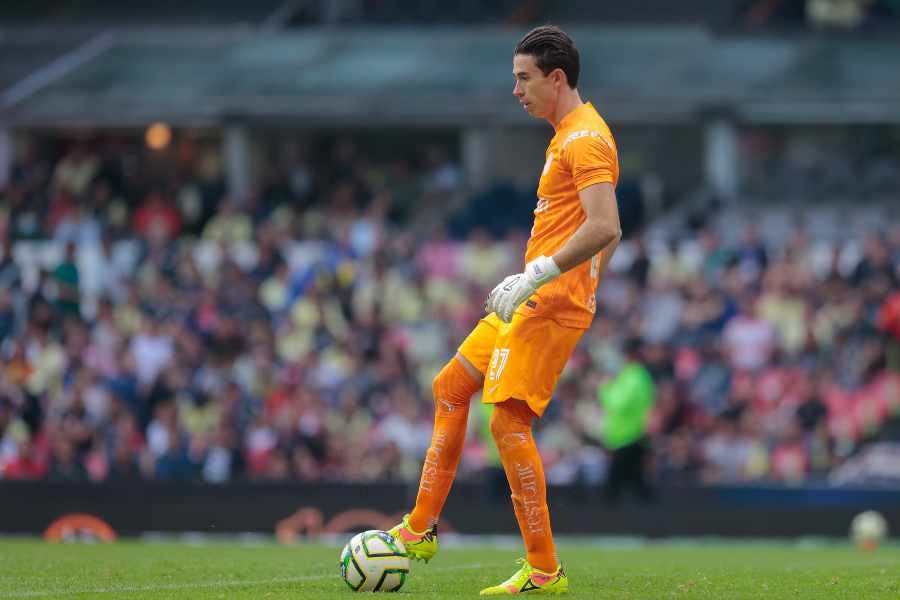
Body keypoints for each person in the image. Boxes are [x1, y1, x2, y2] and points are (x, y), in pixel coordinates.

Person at [388, 25, 622, 595]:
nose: (515, 90)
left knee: (507, 421)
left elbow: (606, 225)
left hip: (547, 302)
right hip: (535, 296)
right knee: (450, 386)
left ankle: (544, 570)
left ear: (556, 77)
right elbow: (603, 237)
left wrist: (548, 276)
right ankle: (419, 529)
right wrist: (569, 276)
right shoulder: (565, 134)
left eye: (523, 78)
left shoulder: (585, 139)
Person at [598, 337, 655, 504]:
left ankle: (606, 520)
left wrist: (605, 388)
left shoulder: (634, 377)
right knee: (636, 483)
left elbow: (617, 404)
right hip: (628, 435)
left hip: (628, 436)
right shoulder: (636, 375)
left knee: (615, 484)